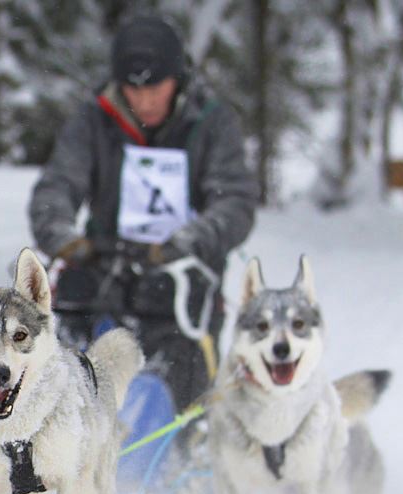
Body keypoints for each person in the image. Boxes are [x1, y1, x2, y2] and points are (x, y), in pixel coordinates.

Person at [29, 13, 257, 412]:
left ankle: (173, 441)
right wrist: (62, 236)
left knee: (182, 368)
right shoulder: (94, 120)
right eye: (133, 91)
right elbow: (57, 186)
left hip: (182, 274)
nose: (145, 101)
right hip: (103, 266)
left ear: (178, 78)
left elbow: (234, 201)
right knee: (65, 342)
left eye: (156, 89)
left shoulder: (211, 122)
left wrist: (191, 240)